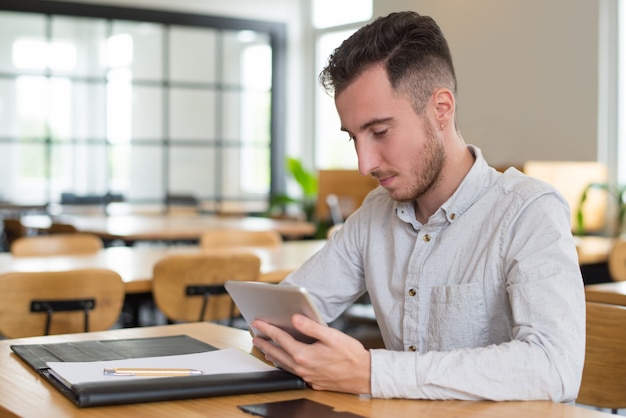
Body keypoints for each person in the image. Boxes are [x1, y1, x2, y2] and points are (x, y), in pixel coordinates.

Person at [251, 11, 585, 402]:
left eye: (379, 132)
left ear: (441, 109)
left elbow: (554, 367)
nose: (364, 164)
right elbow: (285, 313)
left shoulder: (528, 211)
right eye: (353, 138)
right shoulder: (375, 214)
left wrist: (372, 372)